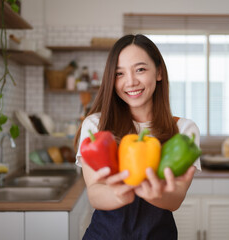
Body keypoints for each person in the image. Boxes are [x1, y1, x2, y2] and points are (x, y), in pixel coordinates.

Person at [74, 34, 201, 240]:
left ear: (159, 72)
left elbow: (176, 199)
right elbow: (95, 192)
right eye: (119, 74)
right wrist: (117, 194)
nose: (130, 82)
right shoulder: (96, 125)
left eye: (140, 69)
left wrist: (158, 193)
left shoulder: (184, 130)